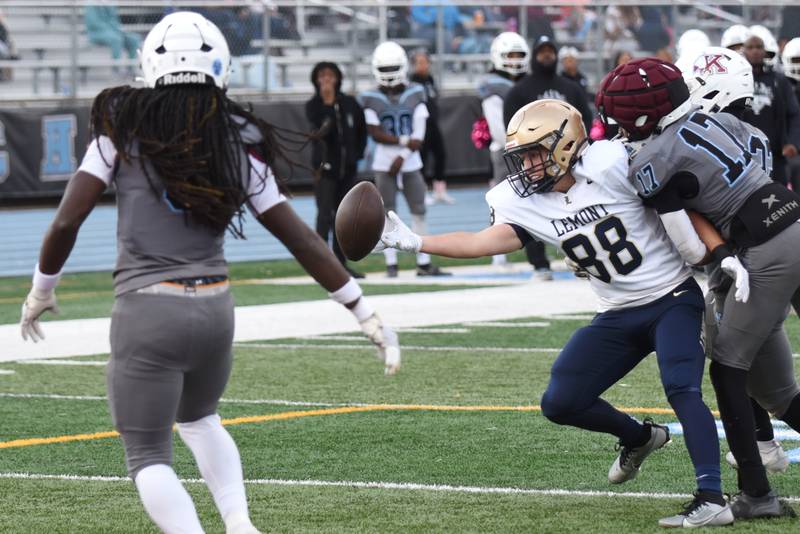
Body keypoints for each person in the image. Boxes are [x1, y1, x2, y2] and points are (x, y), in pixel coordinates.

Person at [19, 12, 400, 534]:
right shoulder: (234, 137)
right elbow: (300, 238)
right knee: (200, 420)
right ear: (220, 67)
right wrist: (362, 309)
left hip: (148, 309)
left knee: (147, 454)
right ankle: (240, 524)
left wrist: (41, 289)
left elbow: (67, 219)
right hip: (216, 308)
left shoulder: (121, 128)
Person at [379, 99, 745, 528]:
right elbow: (481, 241)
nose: (526, 166)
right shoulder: (522, 200)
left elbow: (678, 204)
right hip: (617, 312)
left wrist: (721, 252)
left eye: (534, 154)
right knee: (561, 401)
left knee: (682, 388)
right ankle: (640, 437)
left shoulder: (612, 163)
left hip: (671, 297)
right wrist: (417, 243)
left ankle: (711, 497)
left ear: (566, 144)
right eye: (522, 157)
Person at [598, 56, 800, 519]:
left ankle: (757, 495)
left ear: (642, 117)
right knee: (775, 390)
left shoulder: (651, 159)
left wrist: (715, 253)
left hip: (763, 248)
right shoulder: (721, 121)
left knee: (727, 370)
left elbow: (691, 249)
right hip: (790, 220)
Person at [683, 46, 791, 475]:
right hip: (766, 250)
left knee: (732, 362)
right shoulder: (756, 135)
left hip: (742, 259)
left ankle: (761, 452)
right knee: (748, 364)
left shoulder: (710, 133)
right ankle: (763, 445)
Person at [503, 35, 593, 280]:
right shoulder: (520, 90)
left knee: (580, 207)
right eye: (541, 51)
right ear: (534, 55)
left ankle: (583, 256)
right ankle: (539, 263)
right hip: (536, 161)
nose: (546, 55)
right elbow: (511, 128)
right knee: (532, 210)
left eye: (550, 51)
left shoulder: (571, 88)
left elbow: (585, 121)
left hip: (568, 160)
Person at [358, 41, 449, 278]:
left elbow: (419, 136)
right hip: (384, 163)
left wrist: (402, 155)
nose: (389, 74)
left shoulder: (415, 92)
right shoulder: (370, 97)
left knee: (419, 211)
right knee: (386, 214)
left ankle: (423, 262)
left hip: (409, 162)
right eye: (385, 69)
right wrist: (403, 142)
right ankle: (391, 265)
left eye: (392, 68)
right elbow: (375, 133)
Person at [305, 61, 368, 278]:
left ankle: (341, 265)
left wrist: (356, 155)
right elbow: (322, 131)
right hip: (325, 170)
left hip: (347, 170)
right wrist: (328, 103)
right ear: (316, 80)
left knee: (344, 218)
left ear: (338, 78)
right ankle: (321, 265)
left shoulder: (350, 103)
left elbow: (361, 130)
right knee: (324, 216)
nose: (326, 80)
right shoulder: (313, 106)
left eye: (330, 75)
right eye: (322, 76)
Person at [479, 31, 529, 268]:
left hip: (529, 148)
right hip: (506, 150)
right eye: (510, 55)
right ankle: (498, 255)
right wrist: (517, 145)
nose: (515, 60)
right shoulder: (492, 84)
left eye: (518, 55)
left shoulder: (526, 81)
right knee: (503, 202)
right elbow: (497, 127)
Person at [741, 31, 800, 187]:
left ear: (765, 51)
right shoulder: (738, 80)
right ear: (744, 51)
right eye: (750, 47)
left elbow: (794, 114)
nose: (755, 51)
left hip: (776, 155)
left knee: (778, 195)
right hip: (745, 155)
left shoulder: (779, 80)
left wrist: (792, 143)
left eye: (759, 47)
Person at [409, 49, 453, 205]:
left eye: (425, 62)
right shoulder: (412, 82)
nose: (423, 65)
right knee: (422, 159)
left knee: (441, 155)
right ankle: (421, 192)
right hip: (421, 125)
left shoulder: (430, 79)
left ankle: (439, 190)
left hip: (433, 124)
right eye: (419, 63)